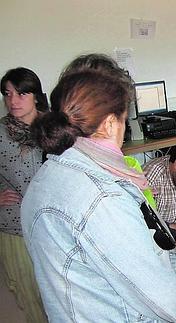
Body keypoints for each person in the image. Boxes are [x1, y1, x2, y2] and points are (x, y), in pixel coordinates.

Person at [21, 70, 176, 322]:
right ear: (109, 123)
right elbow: (147, 285)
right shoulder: (102, 197)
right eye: (124, 120)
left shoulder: (45, 176)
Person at [0, 67, 48, 323]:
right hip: (15, 225)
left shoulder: (54, 127)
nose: (13, 101)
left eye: (21, 93)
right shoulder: (1, 134)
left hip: (53, 223)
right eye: (8, 94)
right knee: (28, 292)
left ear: (36, 96)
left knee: (57, 290)